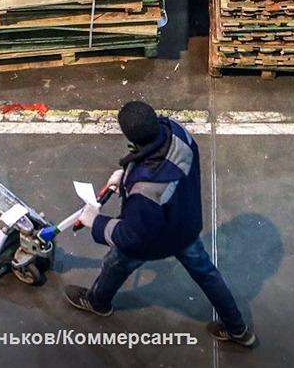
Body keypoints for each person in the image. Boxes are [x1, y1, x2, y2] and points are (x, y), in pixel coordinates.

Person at [64, 101, 257, 348]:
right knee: (207, 274)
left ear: (130, 136)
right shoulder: (177, 133)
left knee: (117, 263)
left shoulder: (146, 189)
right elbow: (160, 165)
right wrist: (126, 175)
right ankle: (238, 329)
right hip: (185, 227)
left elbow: (132, 235)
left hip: (155, 239)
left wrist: (96, 222)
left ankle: (97, 302)